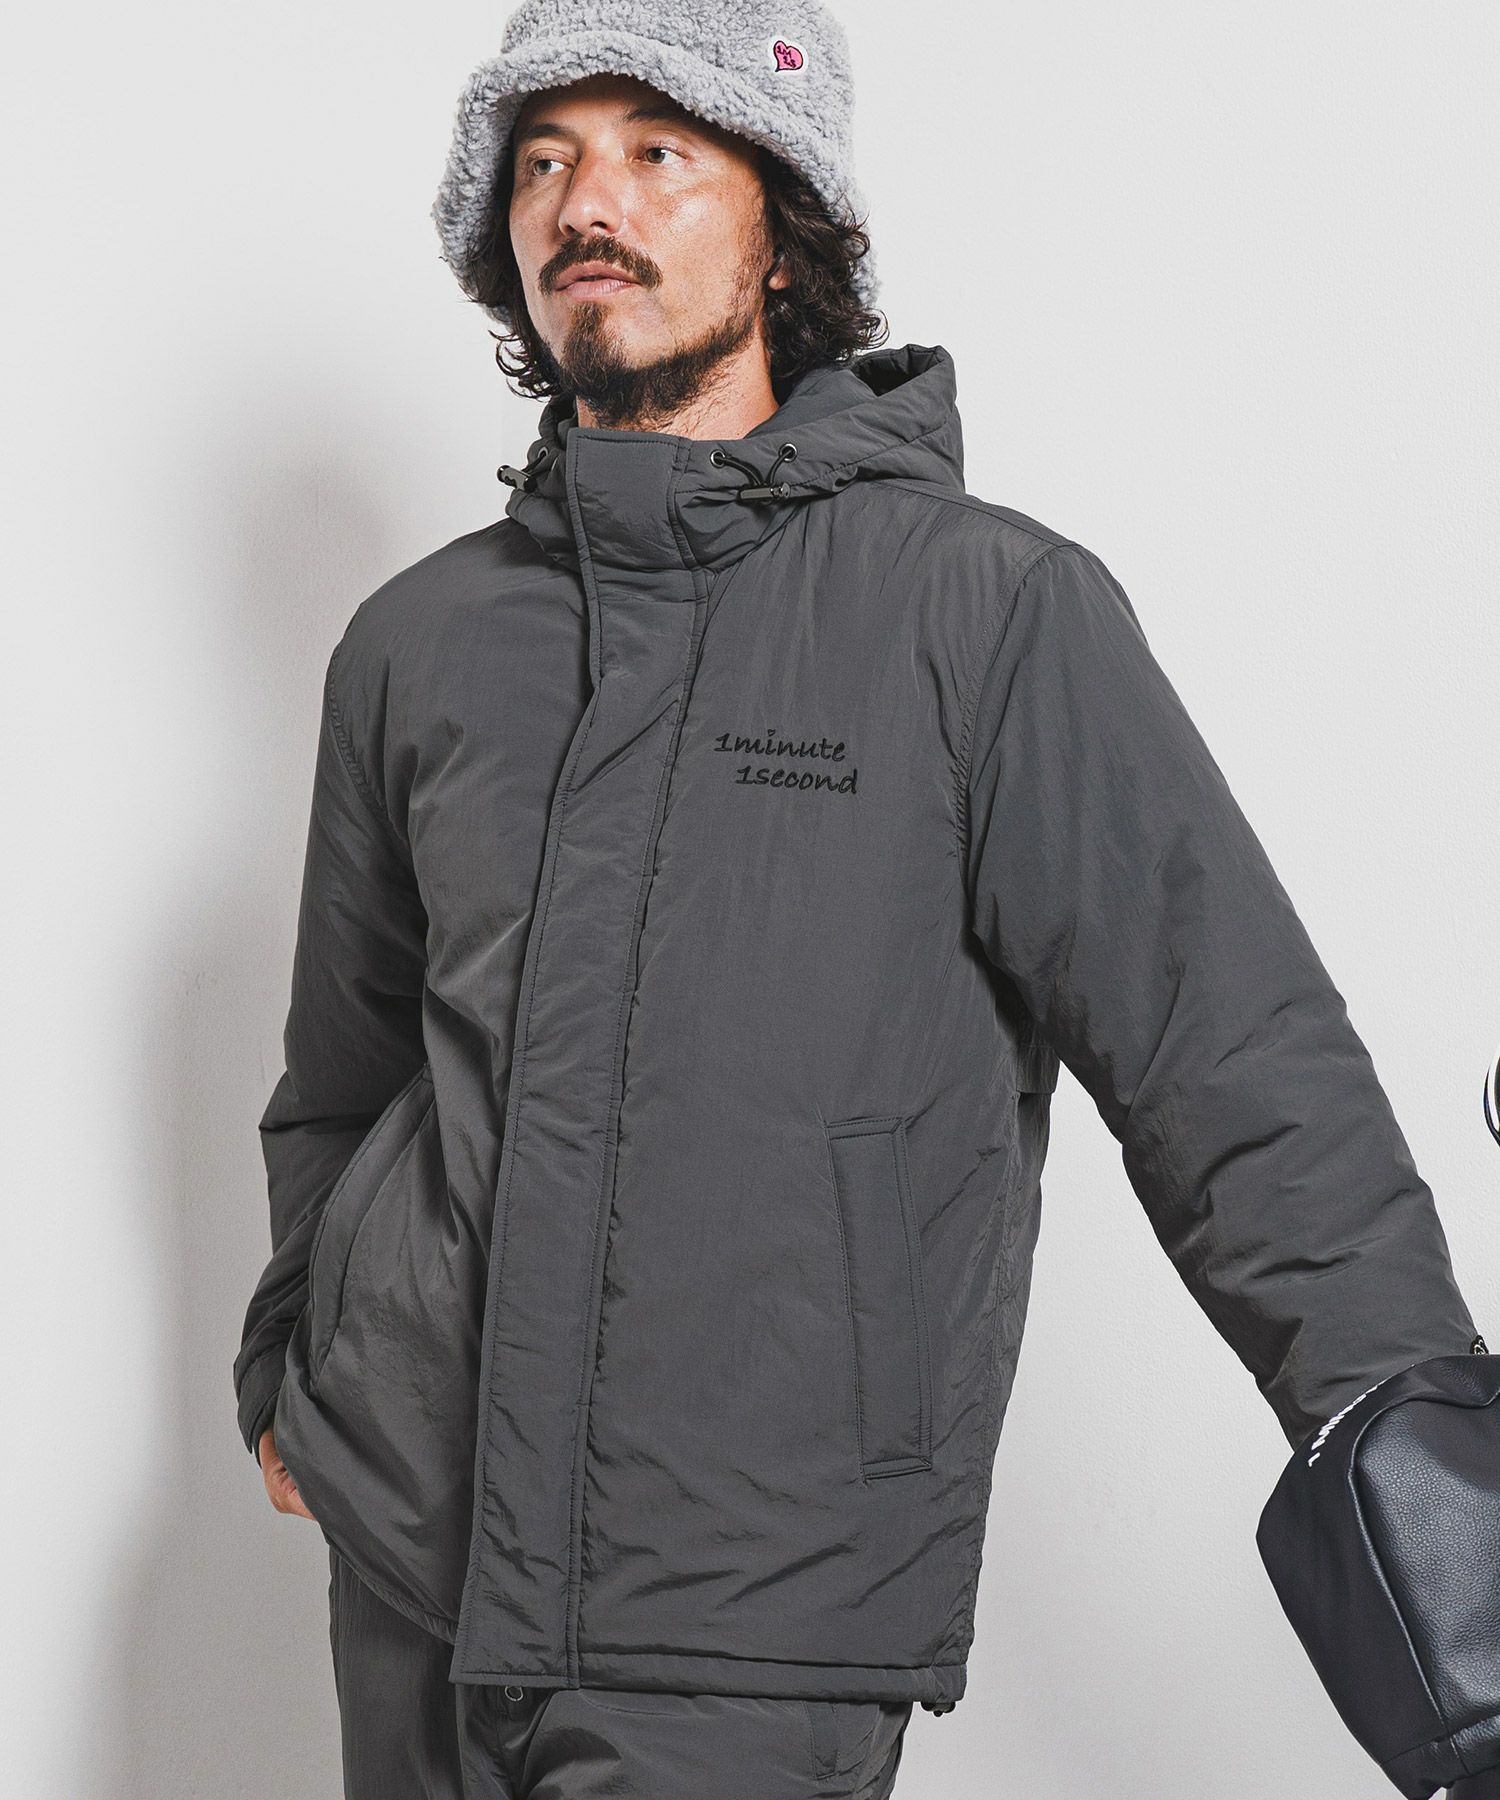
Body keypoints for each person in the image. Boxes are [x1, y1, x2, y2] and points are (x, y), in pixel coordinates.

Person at [232, 2, 1485, 1795]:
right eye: (544, 161)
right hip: (414, 1577)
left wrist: (1445, 1521)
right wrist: (296, 1369)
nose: (590, 203)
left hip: (752, 1615)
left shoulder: (986, 615)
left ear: (786, 224)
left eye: (660, 151)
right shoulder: (417, 646)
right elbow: (342, 1081)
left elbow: (1235, 1068)